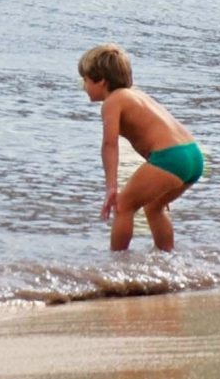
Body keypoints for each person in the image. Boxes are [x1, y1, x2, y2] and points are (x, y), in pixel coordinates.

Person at [80, 44, 203, 251]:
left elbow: (109, 145)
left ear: (101, 80)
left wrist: (111, 187)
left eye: (85, 80)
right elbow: (155, 133)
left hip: (171, 158)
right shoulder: (137, 96)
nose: (83, 86)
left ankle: (117, 265)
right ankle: (167, 258)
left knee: (123, 206)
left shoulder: (112, 101)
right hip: (193, 156)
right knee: (154, 207)